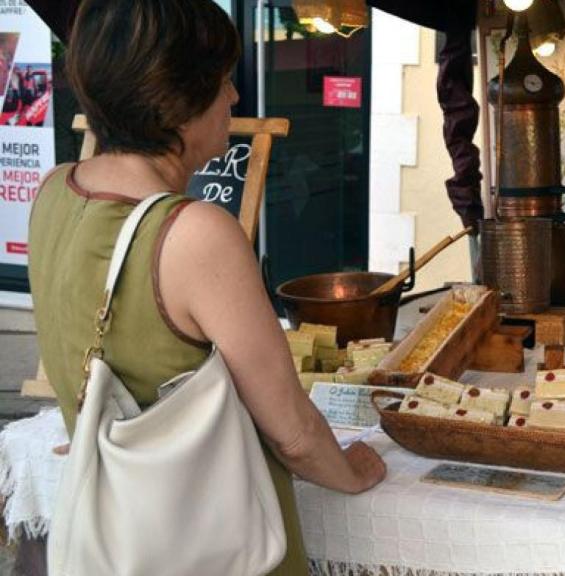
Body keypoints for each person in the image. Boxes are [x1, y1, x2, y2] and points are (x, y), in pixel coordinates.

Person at [28, 1, 386, 574]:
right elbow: (292, 432)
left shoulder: (52, 192)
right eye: (222, 82)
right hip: (216, 548)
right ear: (176, 103)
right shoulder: (193, 233)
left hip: (120, 539)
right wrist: (354, 470)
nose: (235, 98)